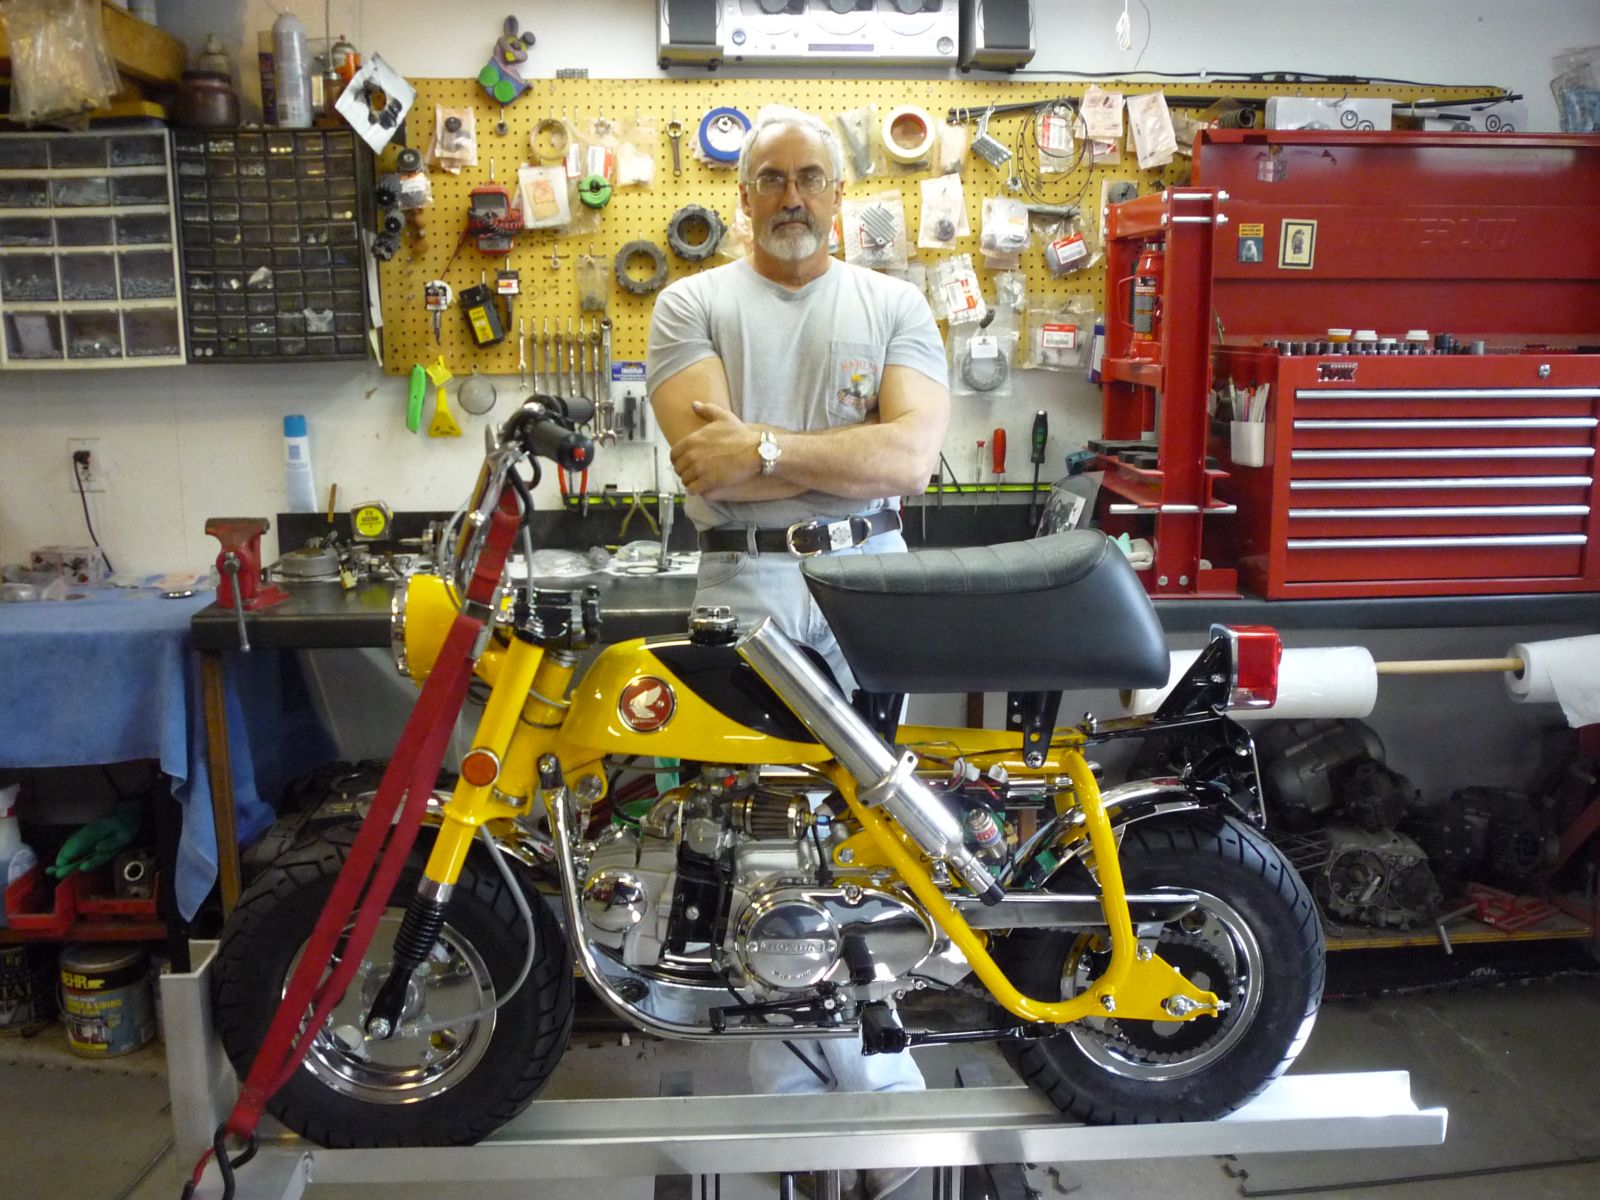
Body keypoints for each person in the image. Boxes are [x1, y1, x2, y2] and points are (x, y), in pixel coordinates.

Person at [647, 104, 951, 1200]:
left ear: (839, 194)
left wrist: (767, 446)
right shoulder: (692, 303)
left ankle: (878, 1076)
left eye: (809, 176)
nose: (790, 196)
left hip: (871, 585)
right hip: (747, 586)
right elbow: (706, 466)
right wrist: (835, 456)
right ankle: (776, 1088)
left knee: (872, 831)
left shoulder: (893, 303)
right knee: (748, 839)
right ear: (742, 199)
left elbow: (909, 460)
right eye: (770, 178)